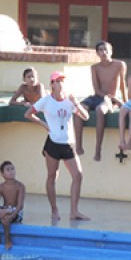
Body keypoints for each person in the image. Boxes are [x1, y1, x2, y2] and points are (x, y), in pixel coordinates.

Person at [26, 71, 90, 221]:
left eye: (62, 81)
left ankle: (74, 211)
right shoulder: (46, 100)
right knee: (52, 176)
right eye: (57, 81)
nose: (60, 84)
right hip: (53, 143)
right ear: (52, 84)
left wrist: (76, 103)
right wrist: (43, 124)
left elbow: (85, 116)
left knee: (78, 175)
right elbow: (28, 114)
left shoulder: (69, 100)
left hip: (68, 143)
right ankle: (54, 210)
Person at [75, 41, 127, 162]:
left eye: (106, 49)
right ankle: (78, 146)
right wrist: (109, 97)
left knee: (100, 110)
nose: (104, 52)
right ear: (97, 53)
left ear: (111, 51)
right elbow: (97, 89)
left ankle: (98, 149)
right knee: (78, 109)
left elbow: (122, 85)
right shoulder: (95, 67)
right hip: (98, 96)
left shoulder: (119, 65)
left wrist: (125, 102)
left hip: (110, 100)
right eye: (101, 50)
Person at [0, 161, 25, 250]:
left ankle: (7, 239)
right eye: (8, 170)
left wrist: (12, 216)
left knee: (4, 215)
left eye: (12, 169)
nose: (11, 171)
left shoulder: (20, 186)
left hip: (16, 212)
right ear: (3, 174)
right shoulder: (1, 187)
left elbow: (20, 206)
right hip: (6, 210)